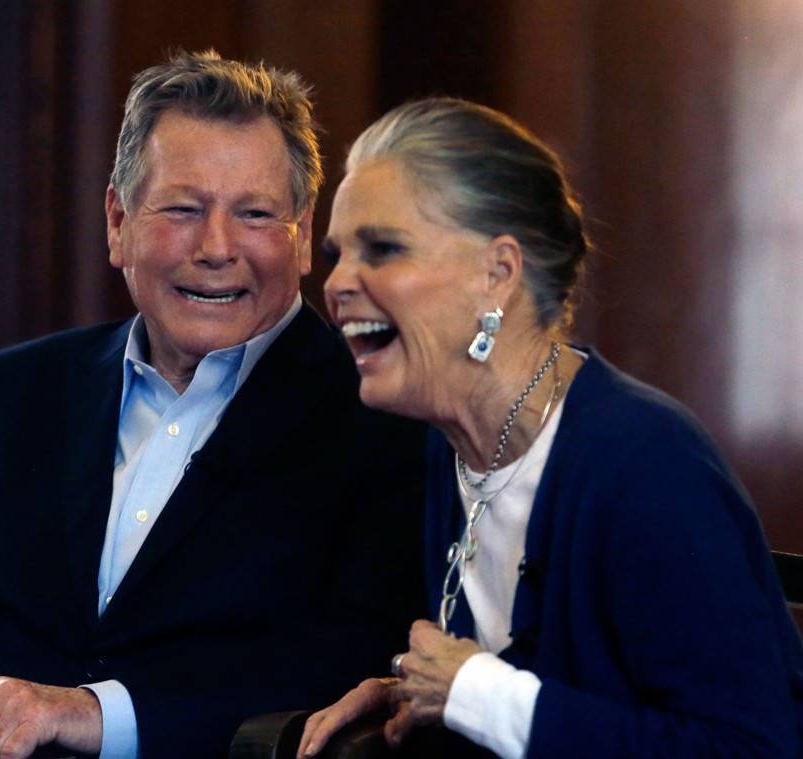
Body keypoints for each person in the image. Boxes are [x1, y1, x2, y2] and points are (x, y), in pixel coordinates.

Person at [0, 51, 427, 759]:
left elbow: (354, 664)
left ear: (303, 237)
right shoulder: (8, 393)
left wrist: (93, 713)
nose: (216, 247)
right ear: (117, 221)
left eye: (254, 214)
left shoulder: (383, 414)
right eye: (183, 209)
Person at [298, 97, 803, 757]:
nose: (336, 282)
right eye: (337, 254)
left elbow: (752, 747)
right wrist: (415, 690)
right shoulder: (447, 446)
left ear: (498, 273)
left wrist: (478, 695)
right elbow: (562, 688)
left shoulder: (645, 465)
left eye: (383, 248)